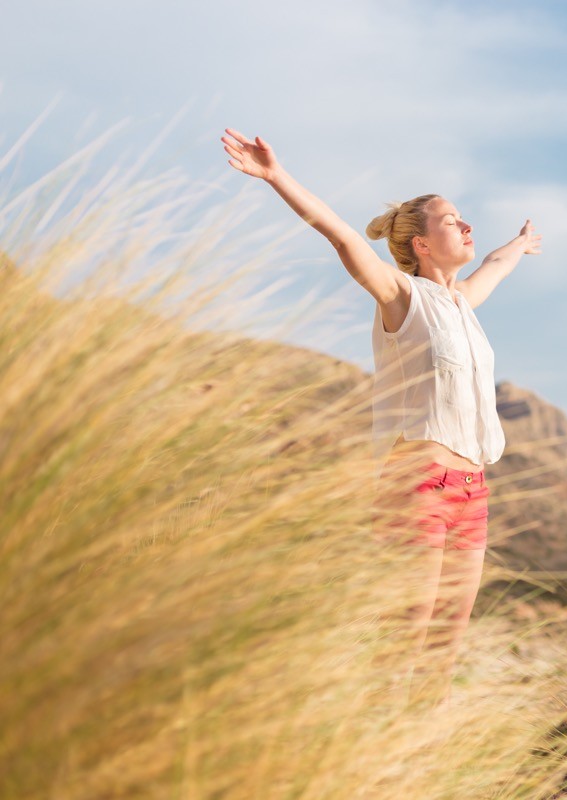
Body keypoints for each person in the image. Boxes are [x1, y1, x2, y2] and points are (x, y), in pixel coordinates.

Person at [221, 128, 541, 709]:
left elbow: (495, 262)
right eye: (452, 220)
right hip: (416, 485)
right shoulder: (401, 296)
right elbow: (340, 235)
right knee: (406, 632)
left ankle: (420, 764)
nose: (467, 226)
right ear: (419, 244)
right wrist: (276, 176)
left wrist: (520, 244)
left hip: (472, 492)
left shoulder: (463, 304)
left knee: (447, 642)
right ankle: (368, 749)